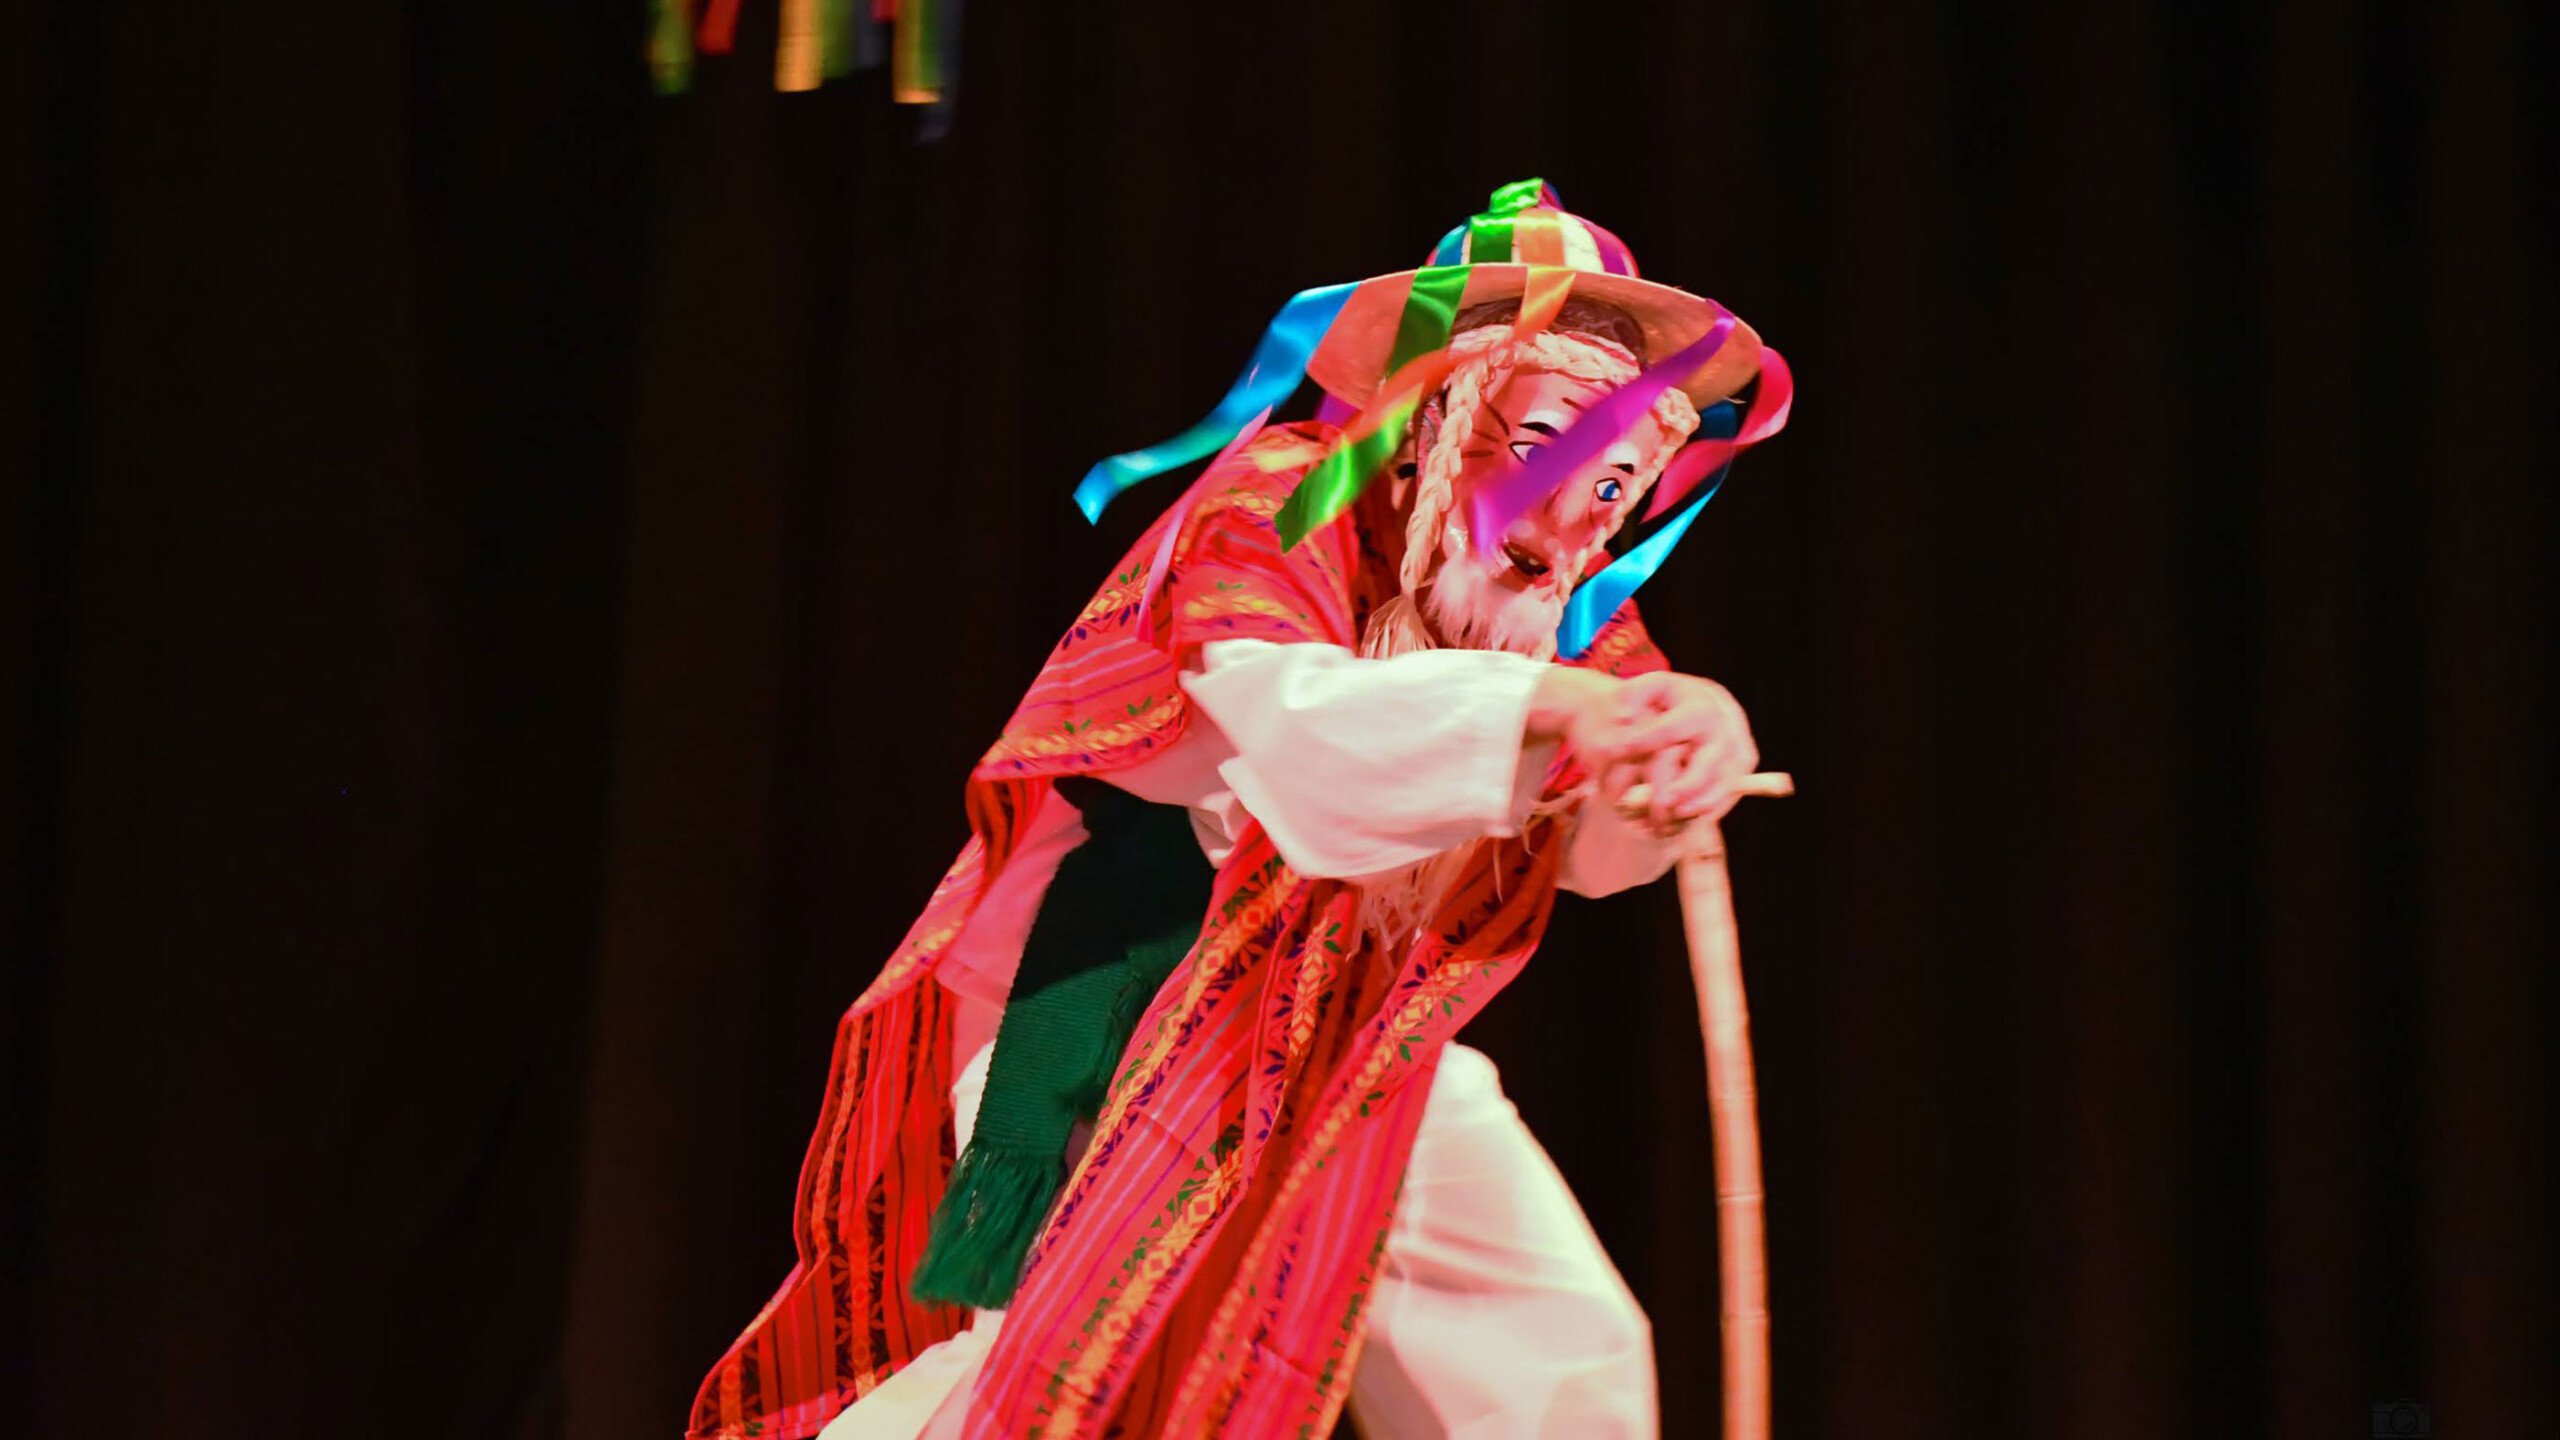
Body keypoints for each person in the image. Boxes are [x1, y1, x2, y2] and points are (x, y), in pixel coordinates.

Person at [688, 180, 1790, 1440]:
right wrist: (1556, 711)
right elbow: (1303, 734)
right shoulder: (1282, 496)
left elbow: (1586, 846)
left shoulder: (1556, 612)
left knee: (1555, 1348)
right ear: (1432, 415)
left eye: (1613, 486)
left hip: (1346, 1032)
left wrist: (1677, 753)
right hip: (1121, 995)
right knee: (1031, 1381)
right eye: (1541, 443)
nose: (1567, 517)